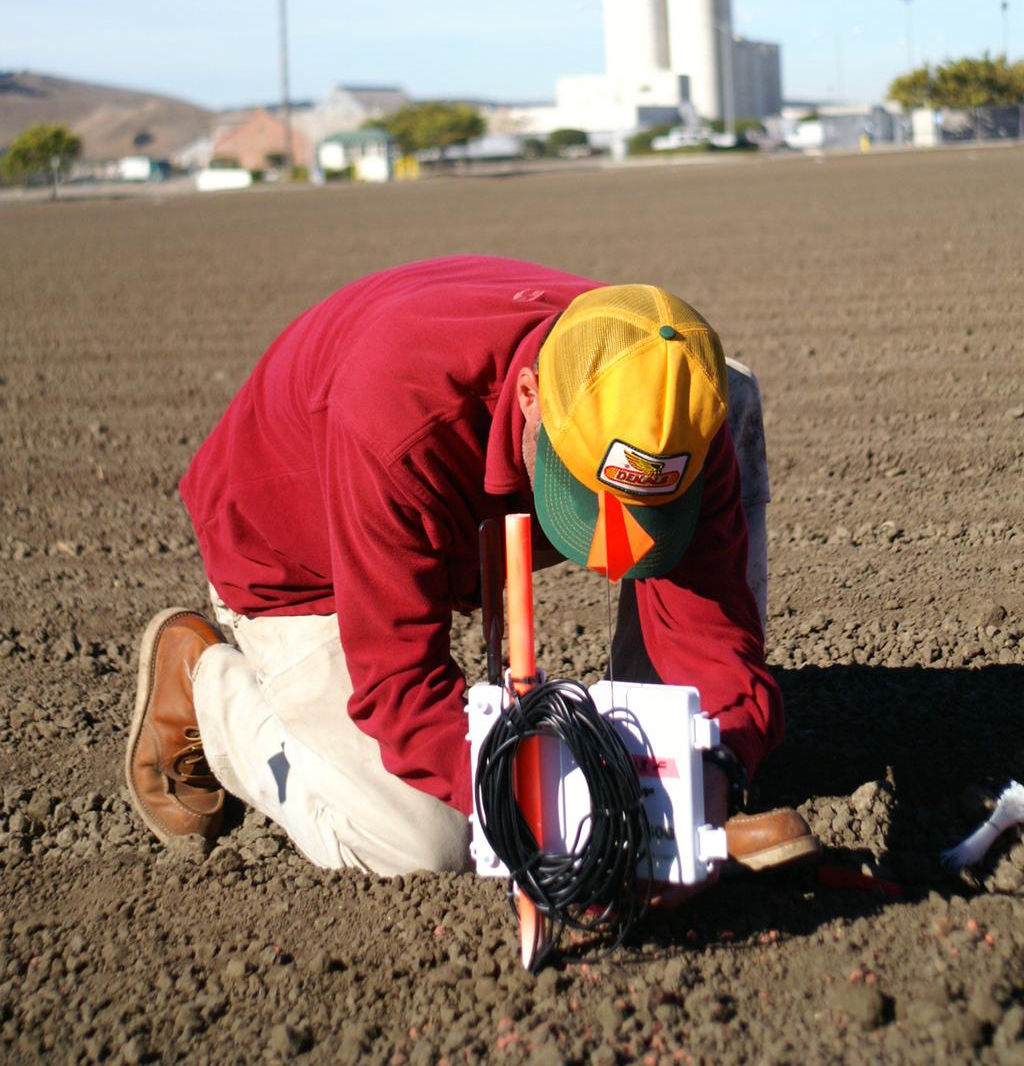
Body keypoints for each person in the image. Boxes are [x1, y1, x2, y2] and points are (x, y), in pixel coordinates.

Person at [125, 256, 817, 880]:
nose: (611, 548)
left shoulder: (665, 402)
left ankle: (652, 754)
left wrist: (706, 772)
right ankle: (207, 684)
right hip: (299, 560)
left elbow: (713, 636)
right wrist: (550, 816)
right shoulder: (393, 423)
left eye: (639, 512)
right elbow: (400, 688)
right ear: (528, 397)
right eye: (584, 493)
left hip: (436, 489)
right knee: (421, 841)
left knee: (735, 390)